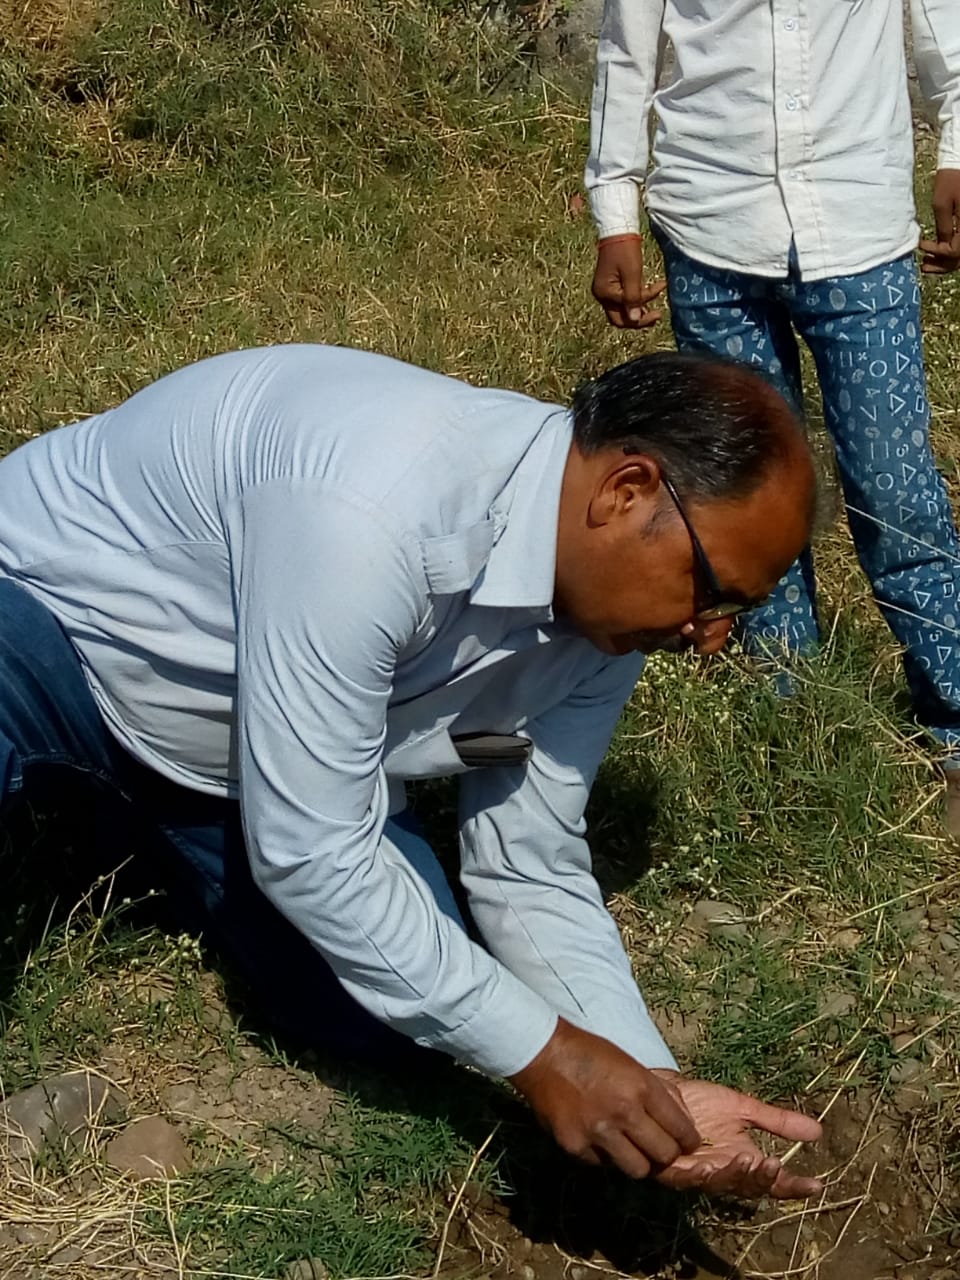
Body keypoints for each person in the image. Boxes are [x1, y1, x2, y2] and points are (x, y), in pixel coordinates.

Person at [0, 343, 822, 1198]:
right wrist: (546, 1057)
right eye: (711, 590)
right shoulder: (375, 506)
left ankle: (123, 845)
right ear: (627, 491)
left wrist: (649, 1089)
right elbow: (314, 851)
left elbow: (529, 859)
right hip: (53, 630)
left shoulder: (612, 625)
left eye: (738, 610)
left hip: (234, 759)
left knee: (396, 1021)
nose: (708, 636)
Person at [586, 0, 960, 833]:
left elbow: (946, 23)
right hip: (710, 228)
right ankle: (793, 723)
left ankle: (956, 718)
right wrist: (615, 212)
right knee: (744, 491)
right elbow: (627, 53)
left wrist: (956, 151)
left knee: (895, 491)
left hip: (859, 230)